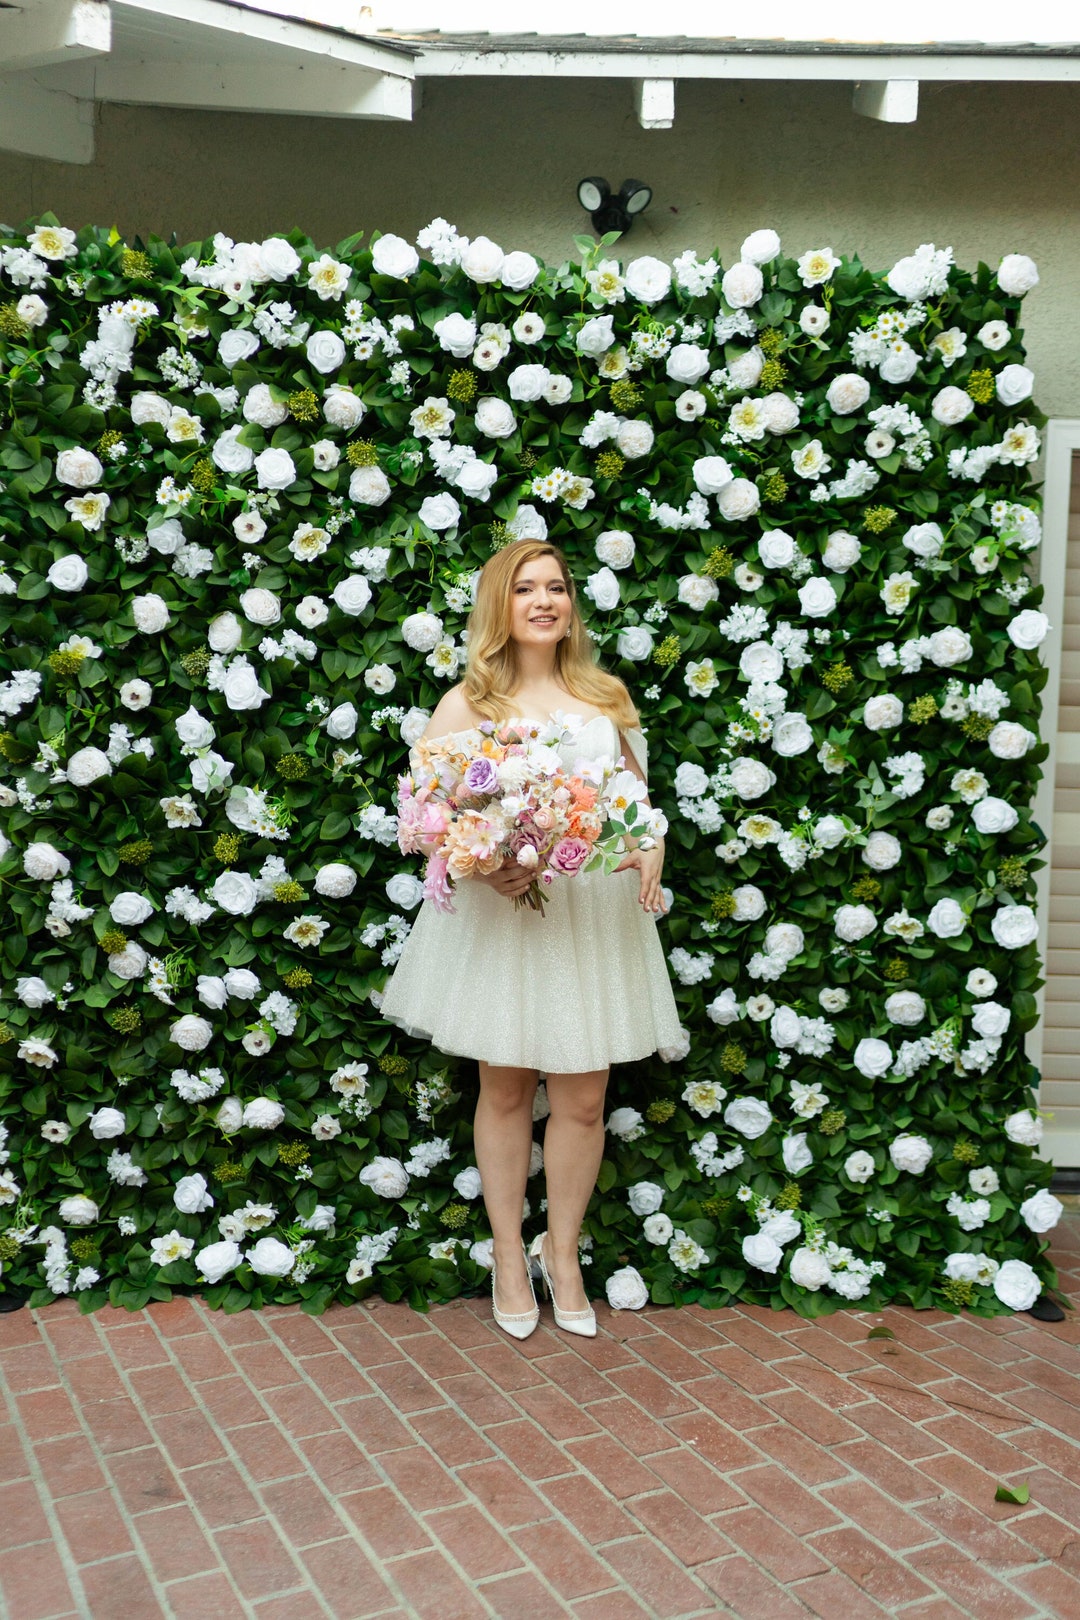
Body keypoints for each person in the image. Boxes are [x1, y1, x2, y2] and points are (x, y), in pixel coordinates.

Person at [380, 539, 683, 1338]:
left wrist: (650, 848)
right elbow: (428, 821)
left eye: (556, 587)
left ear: (571, 605)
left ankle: (564, 1251)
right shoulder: (468, 703)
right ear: (499, 606)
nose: (544, 601)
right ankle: (509, 1255)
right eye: (524, 588)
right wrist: (484, 871)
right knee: (507, 1088)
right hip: (508, 921)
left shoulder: (604, 694)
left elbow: (637, 803)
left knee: (584, 1099)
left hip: (593, 911)